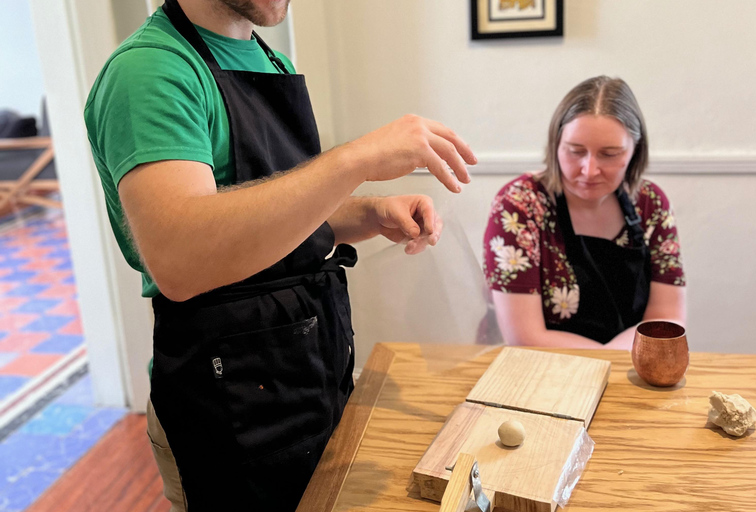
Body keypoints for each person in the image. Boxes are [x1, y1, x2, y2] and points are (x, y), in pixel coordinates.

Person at [83, 0, 476, 510]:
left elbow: (278, 221)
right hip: (227, 405)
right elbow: (181, 260)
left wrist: (370, 213)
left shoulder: (271, 64)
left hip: (306, 373)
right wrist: (356, 159)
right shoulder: (149, 71)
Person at [483, 76, 685, 349]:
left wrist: (610, 365)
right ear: (556, 144)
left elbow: (666, 321)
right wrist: (607, 361)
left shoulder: (651, 204)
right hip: (539, 369)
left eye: (610, 154)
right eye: (575, 151)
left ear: (635, 151)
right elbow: (525, 337)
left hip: (630, 368)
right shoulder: (519, 206)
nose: (589, 170)